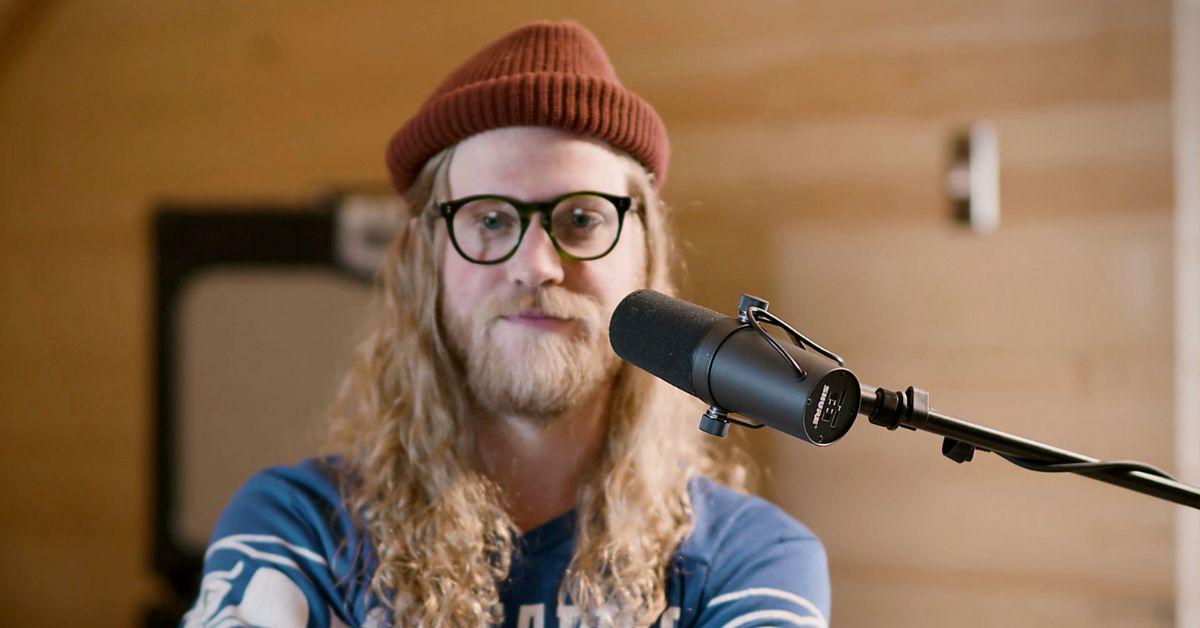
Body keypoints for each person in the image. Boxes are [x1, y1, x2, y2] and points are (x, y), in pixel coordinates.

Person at [182, 19, 830, 628]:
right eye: (490, 221)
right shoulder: (297, 533)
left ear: (647, 254)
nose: (537, 265)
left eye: (581, 219)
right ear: (426, 261)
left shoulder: (753, 563)